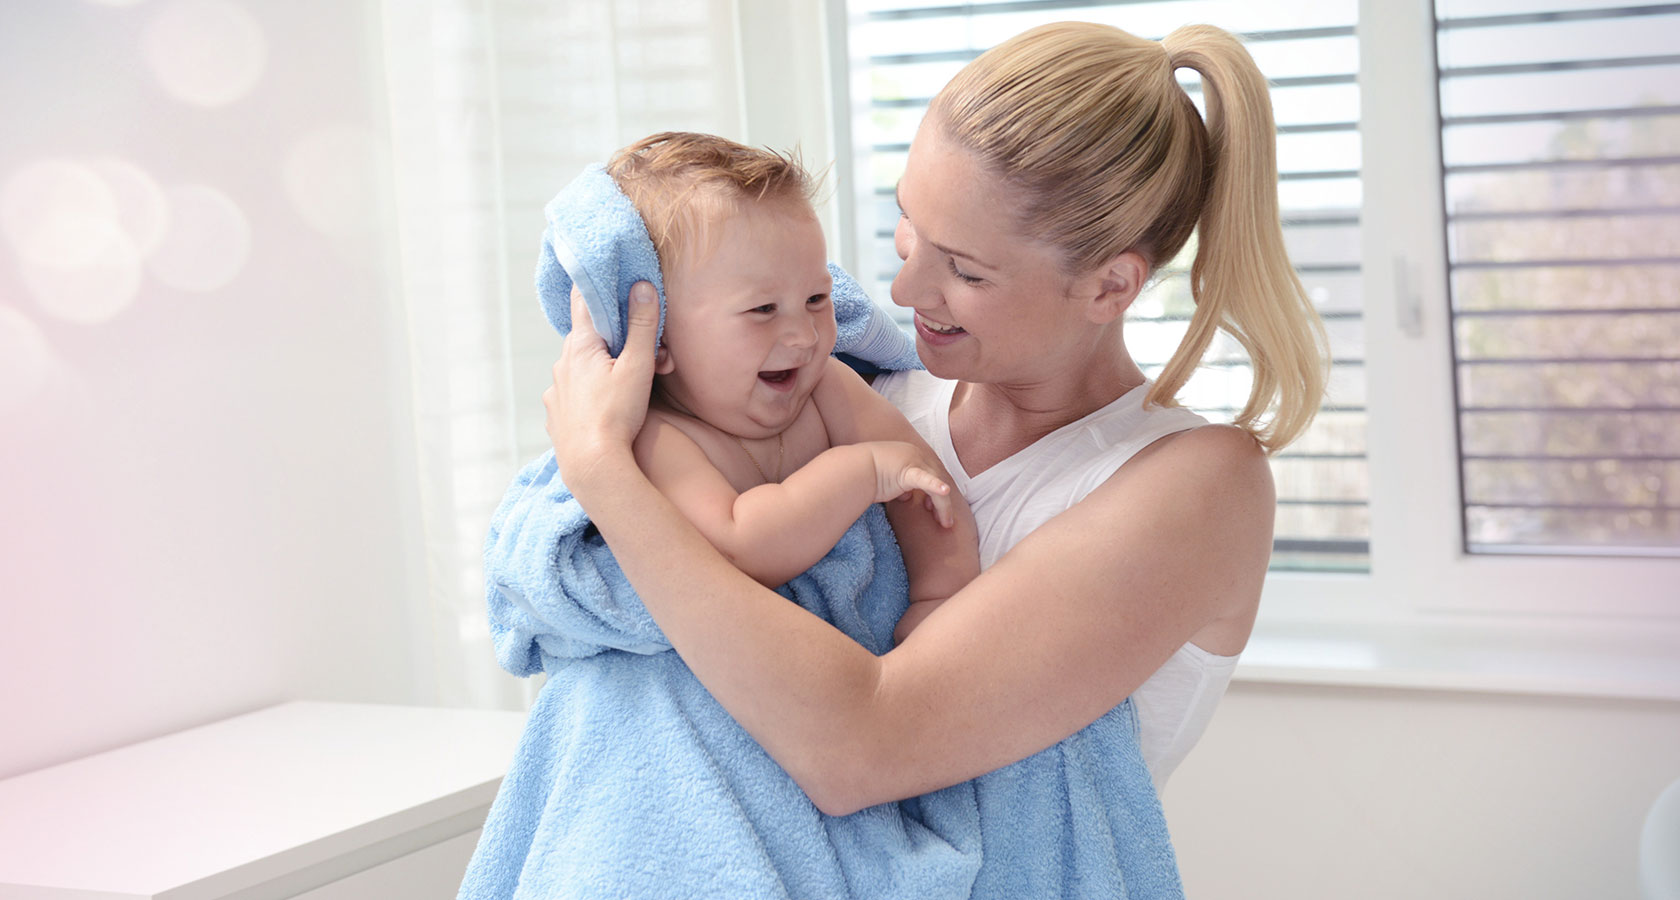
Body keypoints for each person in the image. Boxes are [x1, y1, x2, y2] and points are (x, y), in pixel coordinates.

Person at [540, 19, 1328, 897]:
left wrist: (604, 473)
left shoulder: (1192, 484)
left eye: (965, 269)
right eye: (908, 229)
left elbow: (856, 749)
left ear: (1110, 285)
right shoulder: (859, 393)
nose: (906, 290)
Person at [459, 133, 983, 900]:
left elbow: (925, 491)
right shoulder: (660, 439)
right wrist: (859, 471)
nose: (801, 333)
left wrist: (938, 597)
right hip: (714, 687)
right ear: (659, 340)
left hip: (830, 698)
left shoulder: (829, 386)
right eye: (761, 310)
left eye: (814, 298)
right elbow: (741, 543)